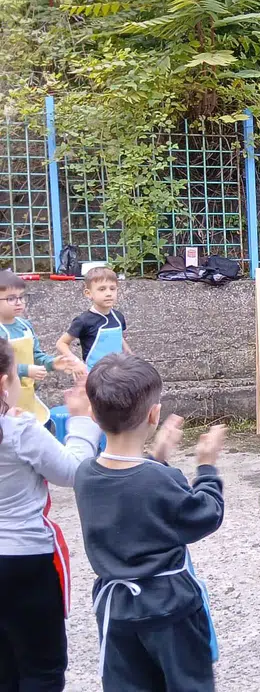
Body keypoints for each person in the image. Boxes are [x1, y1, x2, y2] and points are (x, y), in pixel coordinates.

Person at [75, 354, 226, 691]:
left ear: (93, 415)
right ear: (154, 415)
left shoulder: (85, 474)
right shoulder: (159, 480)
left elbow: (130, 491)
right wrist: (206, 468)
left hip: (116, 608)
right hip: (170, 608)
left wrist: (156, 458)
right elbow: (206, 514)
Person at [0, 338, 100, 691]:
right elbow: (73, 471)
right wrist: (81, 420)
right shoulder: (17, 430)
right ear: (4, 382)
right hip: (25, 557)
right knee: (41, 669)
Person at [0, 271, 77, 425]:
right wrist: (25, 370)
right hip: (5, 400)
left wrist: (52, 363)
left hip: (28, 395)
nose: (19, 302)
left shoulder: (25, 326)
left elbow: (36, 355)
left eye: (22, 297)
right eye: (11, 298)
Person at [56, 266, 131, 372]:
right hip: (94, 375)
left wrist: (131, 358)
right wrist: (76, 363)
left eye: (112, 288)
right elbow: (61, 343)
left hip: (118, 374)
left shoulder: (119, 317)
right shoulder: (83, 321)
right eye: (102, 289)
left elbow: (119, 338)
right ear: (88, 293)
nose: (108, 293)